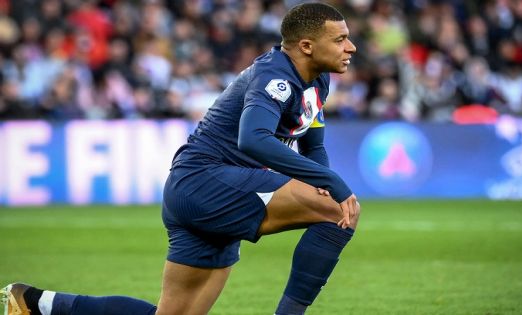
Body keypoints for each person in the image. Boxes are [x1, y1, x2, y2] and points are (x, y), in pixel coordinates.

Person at [2, 3, 360, 315]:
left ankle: (36, 302)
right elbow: (253, 139)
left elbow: (313, 146)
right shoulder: (274, 76)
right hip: (208, 182)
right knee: (337, 213)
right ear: (307, 46)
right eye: (340, 39)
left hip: (199, 188)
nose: (351, 47)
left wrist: (322, 181)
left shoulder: (317, 81)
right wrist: (333, 186)